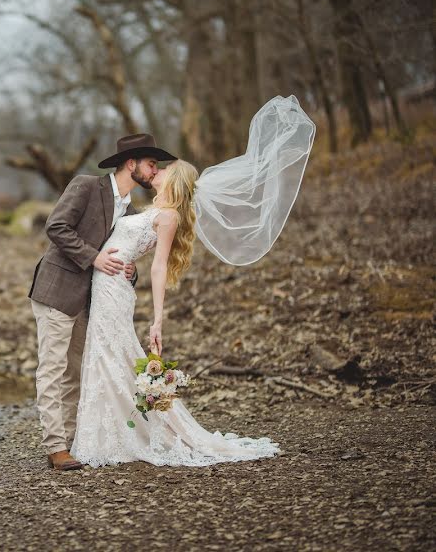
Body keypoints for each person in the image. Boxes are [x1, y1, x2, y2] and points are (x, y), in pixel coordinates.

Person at [70, 95, 315, 467]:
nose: (158, 171)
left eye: (163, 169)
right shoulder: (152, 209)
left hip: (114, 289)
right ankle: (111, 433)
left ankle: (136, 433)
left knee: (111, 356)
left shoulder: (167, 217)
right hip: (106, 283)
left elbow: (159, 267)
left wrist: (157, 320)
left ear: (175, 180)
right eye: (155, 166)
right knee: (107, 357)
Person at [28, 133, 176, 471]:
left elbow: (126, 256)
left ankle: (69, 440)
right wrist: (94, 257)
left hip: (93, 300)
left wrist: (129, 270)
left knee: (77, 370)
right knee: (52, 368)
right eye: (151, 163)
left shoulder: (132, 210)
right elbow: (57, 227)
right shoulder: (85, 186)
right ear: (131, 164)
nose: (154, 170)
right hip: (56, 289)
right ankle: (55, 448)